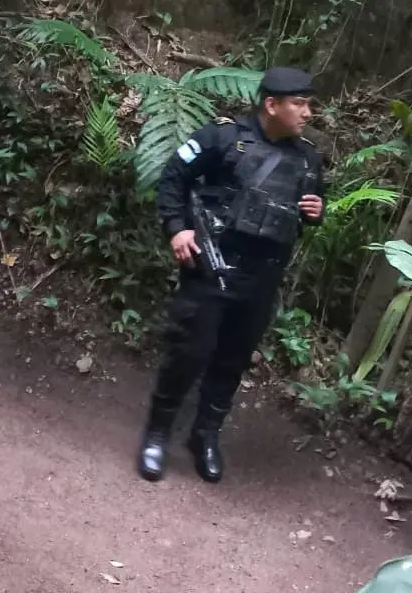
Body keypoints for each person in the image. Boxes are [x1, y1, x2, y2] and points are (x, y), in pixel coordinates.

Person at [138, 67, 325, 484]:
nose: (308, 113)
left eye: (309, 103)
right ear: (271, 104)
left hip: (263, 279)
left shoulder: (309, 156)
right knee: (189, 351)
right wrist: (177, 227)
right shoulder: (221, 138)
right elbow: (174, 175)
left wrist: (317, 212)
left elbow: (309, 205)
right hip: (212, 268)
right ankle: (157, 433)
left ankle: (204, 436)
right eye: (300, 103)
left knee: (232, 361)